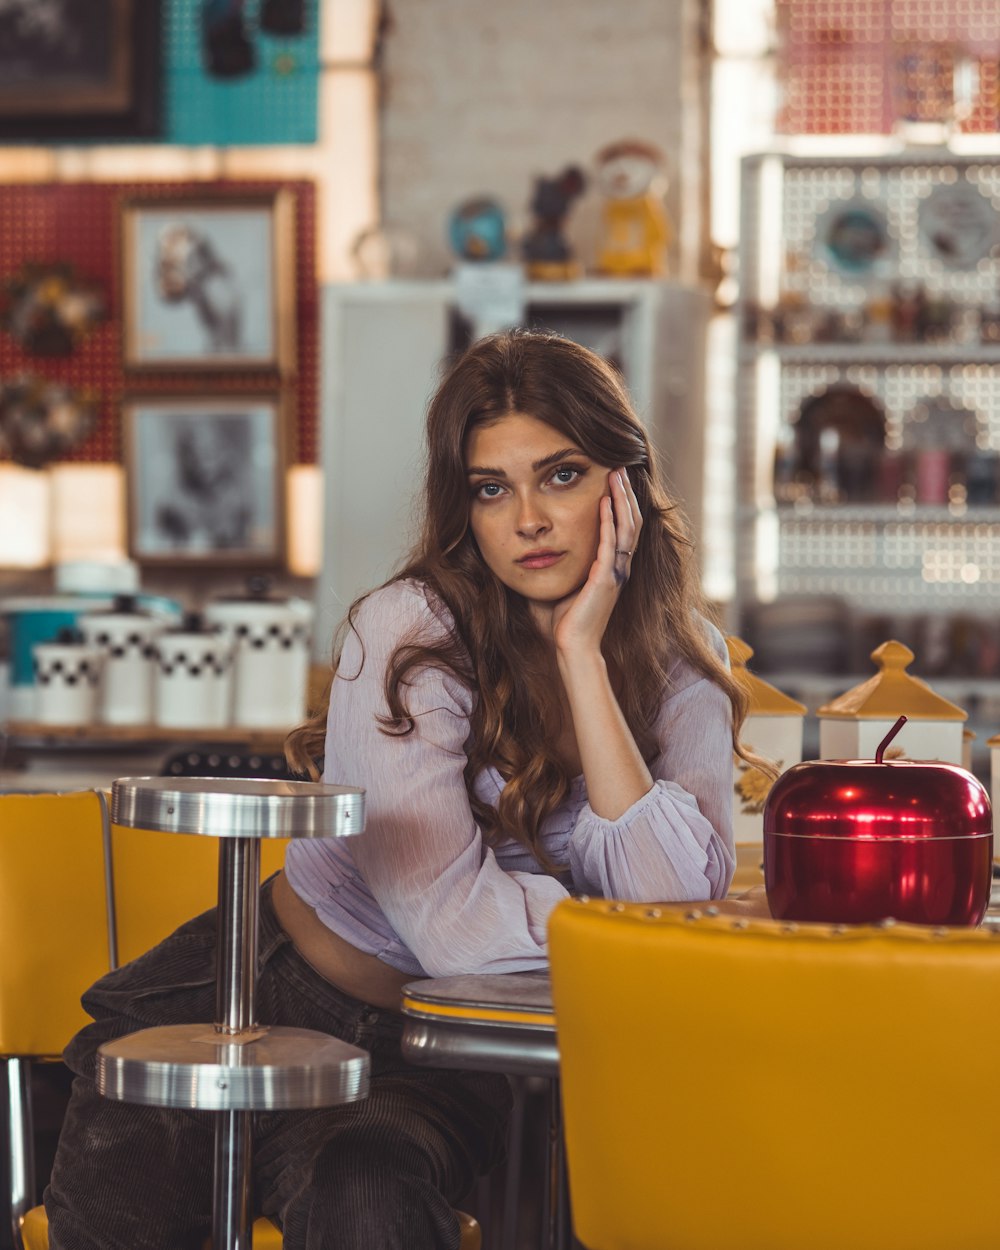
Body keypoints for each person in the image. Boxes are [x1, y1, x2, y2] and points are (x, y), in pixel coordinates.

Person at [45, 330, 755, 1250]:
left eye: (564, 475)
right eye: (492, 488)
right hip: (260, 1001)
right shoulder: (407, 632)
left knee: (368, 1193)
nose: (528, 519)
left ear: (625, 485)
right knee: (125, 1205)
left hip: (443, 1059)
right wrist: (600, 917)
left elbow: (674, 909)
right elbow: (451, 929)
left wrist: (582, 655)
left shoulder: (678, 662)